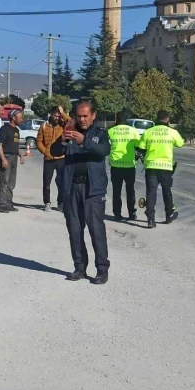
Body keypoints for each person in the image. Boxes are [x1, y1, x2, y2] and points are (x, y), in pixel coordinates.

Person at [60, 101, 111, 285]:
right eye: (79, 116)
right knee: (74, 230)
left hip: (93, 190)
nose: (81, 119)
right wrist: (63, 140)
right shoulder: (70, 131)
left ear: (93, 115)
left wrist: (84, 141)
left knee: (96, 230)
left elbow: (102, 152)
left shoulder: (101, 134)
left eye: (85, 116)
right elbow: (54, 152)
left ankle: (102, 270)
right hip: (72, 188)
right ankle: (79, 267)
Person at [138, 110, 184, 229]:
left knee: (151, 192)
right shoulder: (172, 132)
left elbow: (141, 147)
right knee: (167, 191)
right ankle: (169, 215)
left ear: (156, 119)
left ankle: (151, 220)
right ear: (168, 119)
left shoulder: (148, 132)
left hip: (151, 167)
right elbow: (180, 143)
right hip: (165, 167)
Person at [107, 115, 141, 221]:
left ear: (117, 121)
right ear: (126, 121)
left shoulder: (111, 131)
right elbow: (138, 146)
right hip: (129, 165)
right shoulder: (133, 131)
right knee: (130, 190)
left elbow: (107, 146)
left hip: (116, 165)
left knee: (116, 191)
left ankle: (117, 214)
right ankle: (132, 213)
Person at [37, 106, 68, 212]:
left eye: (59, 116)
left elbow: (72, 122)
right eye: (55, 115)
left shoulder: (63, 125)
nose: (57, 117)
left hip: (61, 158)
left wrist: (63, 113)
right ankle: (47, 202)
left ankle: (61, 203)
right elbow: (39, 141)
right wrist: (45, 151)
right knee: (46, 182)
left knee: (62, 182)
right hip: (48, 159)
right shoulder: (44, 126)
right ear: (51, 114)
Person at [0, 108, 25, 213]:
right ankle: (1, 204)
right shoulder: (4, 129)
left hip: (14, 157)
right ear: (13, 118)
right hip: (6, 157)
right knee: (4, 181)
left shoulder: (16, 130)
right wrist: (3, 159)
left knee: (11, 182)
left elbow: (15, 145)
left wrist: (21, 155)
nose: (22, 119)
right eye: (20, 117)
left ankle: (8, 203)